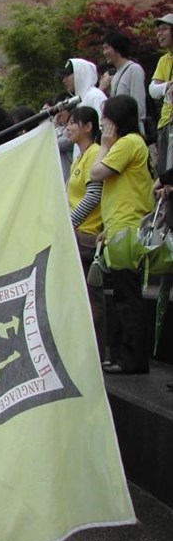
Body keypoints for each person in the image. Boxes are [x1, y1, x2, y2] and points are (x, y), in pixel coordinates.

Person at [90, 95, 154, 375]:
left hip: (126, 229)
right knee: (123, 296)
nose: (103, 125)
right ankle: (123, 356)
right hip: (121, 226)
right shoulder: (133, 143)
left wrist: (104, 145)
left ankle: (132, 360)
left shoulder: (127, 143)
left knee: (127, 298)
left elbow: (96, 172)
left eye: (106, 119)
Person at [64, 106, 104, 358]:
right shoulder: (79, 158)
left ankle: (95, 354)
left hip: (86, 236)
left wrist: (67, 222)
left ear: (88, 127)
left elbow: (93, 196)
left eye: (72, 123)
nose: (67, 128)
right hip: (75, 235)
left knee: (91, 299)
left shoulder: (95, 154)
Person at [99, 31, 147, 137]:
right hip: (118, 132)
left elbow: (139, 106)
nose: (104, 52)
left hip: (132, 132)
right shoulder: (115, 76)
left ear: (117, 48)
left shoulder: (134, 69)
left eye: (106, 48)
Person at [150, 13, 173, 172]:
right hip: (164, 122)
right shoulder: (164, 60)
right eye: (158, 30)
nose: (159, 34)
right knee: (163, 172)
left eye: (164, 29)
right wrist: (167, 86)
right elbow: (153, 90)